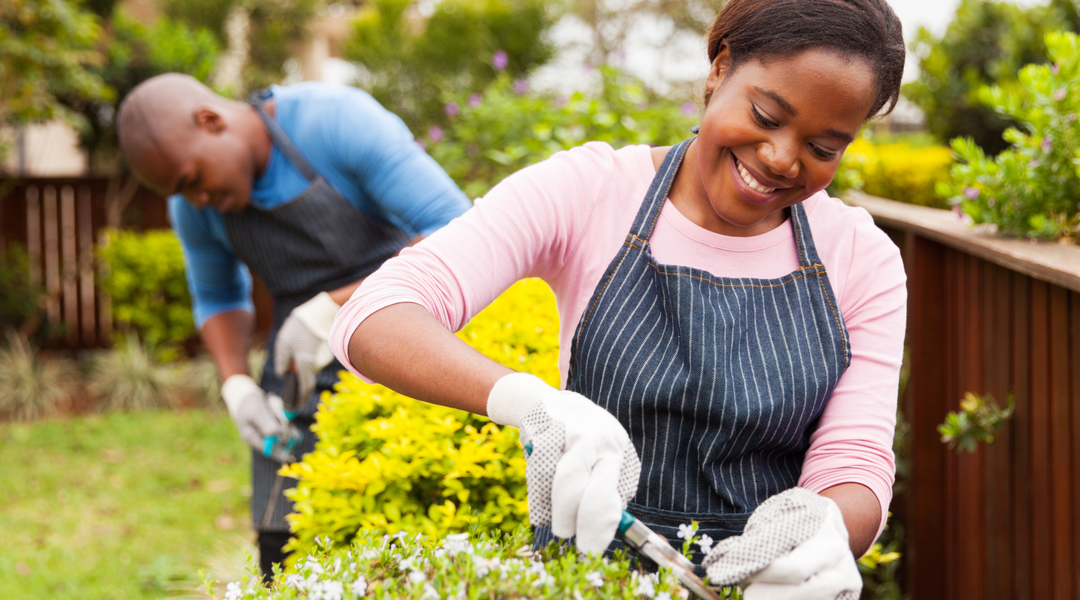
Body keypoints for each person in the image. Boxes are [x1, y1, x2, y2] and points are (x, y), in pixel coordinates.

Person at [332, 0, 906, 596]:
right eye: (766, 115)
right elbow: (377, 315)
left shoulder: (861, 257)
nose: (781, 157)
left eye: (823, 148)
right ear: (720, 69)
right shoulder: (590, 191)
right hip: (587, 580)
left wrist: (826, 528)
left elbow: (854, 460)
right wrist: (527, 401)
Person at [116, 74, 471, 580]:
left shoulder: (334, 121)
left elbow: (455, 227)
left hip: (409, 341)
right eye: (180, 192)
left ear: (211, 121)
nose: (195, 200)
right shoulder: (194, 208)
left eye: (193, 180)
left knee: (401, 546)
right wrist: (236, 384)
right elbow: (218, 296)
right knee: (283, 553)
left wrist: (334, 309)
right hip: (300, 364)